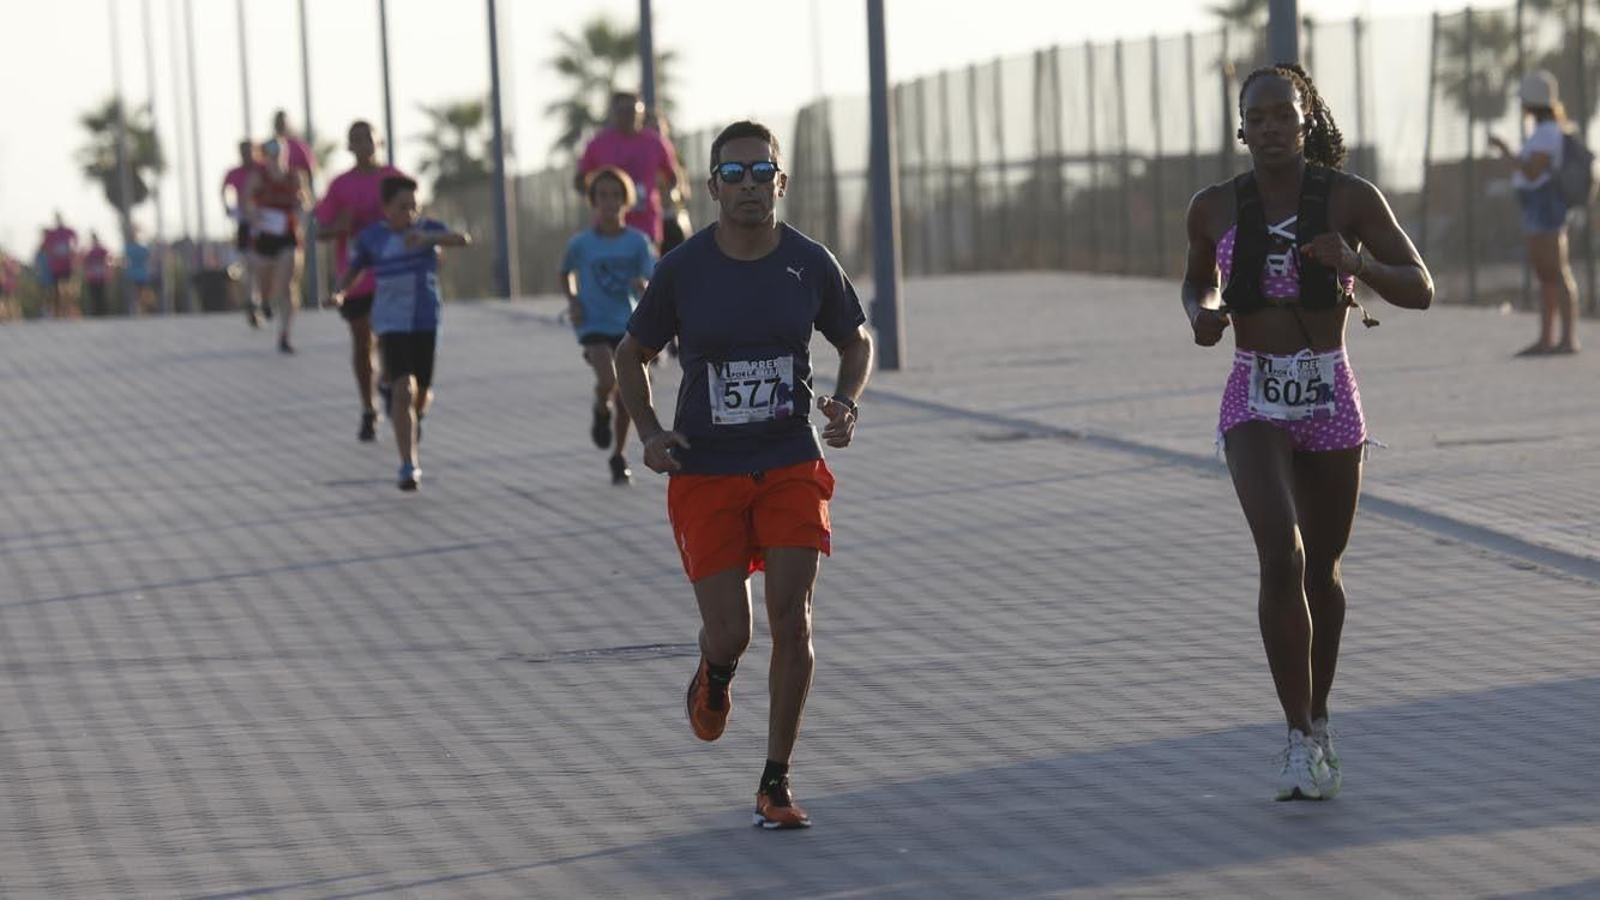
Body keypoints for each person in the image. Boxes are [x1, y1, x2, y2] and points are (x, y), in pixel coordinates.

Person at [1182, 64, 1433, 801]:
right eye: (1254, 117)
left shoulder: (1350, 197)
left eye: (1281, 115)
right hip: (1254, 392)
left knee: (1322, 569)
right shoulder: (1215, 206)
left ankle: (1320, 722)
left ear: (1306, 118)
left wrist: (1357, 263)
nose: (1268, 129)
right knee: (1280, 551)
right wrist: (1202, 312)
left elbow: (1421, 285)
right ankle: (1295, 737)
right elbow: (1197, 279)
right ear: (1240, 127)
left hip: (1329, 391)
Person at [614, 121, 873, 829]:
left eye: (762, 173)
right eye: (734, 175)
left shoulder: (808, 262)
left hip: (790, 458)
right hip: (707, 471)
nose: (750, 186)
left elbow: (856, 341)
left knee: (795, 621)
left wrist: (846, 403)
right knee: (733, 632)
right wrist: (649, 433)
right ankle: (714, 671)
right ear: (711, 188)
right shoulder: (683, 268)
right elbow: (628, 355)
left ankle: (775, 780)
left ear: (781, 184)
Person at [332, 175, 470, 491]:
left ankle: (415, 416)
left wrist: (428, 239)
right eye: (402, 207)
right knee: (403, 388)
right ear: (386, 209)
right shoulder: (372, 239)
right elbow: (354, 269)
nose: (409, 214)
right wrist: (340, 293)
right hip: (392, 322)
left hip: (425, 321)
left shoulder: (427, 230)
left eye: (414, 207)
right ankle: (408, 465)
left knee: (420, 392)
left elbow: (462, 239)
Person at [561, 167, 657, 484]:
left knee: (627, 395)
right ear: (593, 201)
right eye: (602, 195)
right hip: (592, 323)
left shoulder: (637, 242)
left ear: (626, 201)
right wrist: (573, 300)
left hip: (627, 323)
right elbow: (566, 272)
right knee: (609, 378)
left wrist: (643, 284)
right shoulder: (582, 243)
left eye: (616, 195)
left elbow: (651, 276)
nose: (609, 201)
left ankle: (619, 454)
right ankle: (600, 407)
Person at [317, 120, 406, 442]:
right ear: (349, 146)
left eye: (367, 138)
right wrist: (342, 225)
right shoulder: (340, 185)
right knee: (361, 340)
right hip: (355, 276)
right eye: (355, 139)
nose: (363, 144)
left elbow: (413, 215)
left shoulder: (392, 178)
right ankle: (368, 408)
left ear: (378, 141)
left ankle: (386, 383)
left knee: (387, 338)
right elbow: (321, 230)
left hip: (390, 272)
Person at [1489, 70, 1582, 355]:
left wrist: (1504, 149)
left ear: (1532, 102)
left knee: (1555, 272)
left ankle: (1565, 339)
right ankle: (1548, 338)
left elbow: (1532, 171)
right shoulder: (1543, 131)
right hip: (1536, 204)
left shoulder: (1547, 132)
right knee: (1547, 275)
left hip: (1544, 205)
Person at [576, 91, 681, 249]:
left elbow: (672, 177)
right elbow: (580, 179)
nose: (628, 116)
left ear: (642, 112)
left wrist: (665, 195)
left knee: (649, 272)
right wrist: (600, 199)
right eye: (622, 111)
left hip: (647, 227)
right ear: (613, 113)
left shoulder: (655, 142)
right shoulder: (598, 144)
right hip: (608, 229)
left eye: (633, 110)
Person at [244, 139, 309, 353]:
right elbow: (246, 201)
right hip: (264, 235)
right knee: (265, 284)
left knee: (287, 285)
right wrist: (253, 214)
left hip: (287, 235)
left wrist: (300, 207)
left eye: (278, 150)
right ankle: (264, 302)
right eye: (270, 151)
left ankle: (285, 335)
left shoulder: (295, 176)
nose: (275, 155)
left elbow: (306, 201)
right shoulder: (258, 176)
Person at [223, 140, 264, 325]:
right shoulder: (235, 172)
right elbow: (224, 188)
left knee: (265, 264)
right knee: (248, 264)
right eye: (243, 151)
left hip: (264, 223)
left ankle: (265, 300)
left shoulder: (262, 169)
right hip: (245, 224)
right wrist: (227, 206)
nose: (246, 154)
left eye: (249, 151)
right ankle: (252, 303)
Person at [41, 213, 79, 318]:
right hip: (56, 266)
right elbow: (44, 246)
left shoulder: (68, 231)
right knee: (57, 290)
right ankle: (58, 313)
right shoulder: (52, 234)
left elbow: (76, 240)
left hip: (67, 265)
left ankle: (70, 310)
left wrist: (74, 253)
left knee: (68, 289)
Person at [124, 228, 158, 315]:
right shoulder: (142, 249)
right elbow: (150, 257)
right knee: (142, 293)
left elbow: (126, 261)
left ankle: (136, 310)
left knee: (135, 294)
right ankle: (143, 309)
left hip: (133, 274)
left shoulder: (129, 248)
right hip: (142, 274)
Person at [83, 232, 111, 316]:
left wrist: (108, 272)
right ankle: (95, 313)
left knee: (101, 295)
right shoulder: (89, 253)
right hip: (92, 277)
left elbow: (108, 260)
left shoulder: (102, 251)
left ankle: (103, 312)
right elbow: (85, 264)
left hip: (101, 276)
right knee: (94, 296)